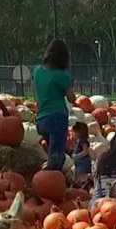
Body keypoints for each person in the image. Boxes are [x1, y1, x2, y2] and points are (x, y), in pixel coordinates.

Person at [33, 39, 76, 171]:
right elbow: (72, 98)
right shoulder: (62, 75)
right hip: (57, 117)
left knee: (55, 151)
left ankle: (50, 178)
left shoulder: (37, 71)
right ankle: (50, 182)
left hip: (41, 119)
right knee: (57, 157)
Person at [71, 121, 92, 188]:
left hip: (83, 161)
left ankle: (84, 185)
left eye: (75, 132)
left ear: (80, 132)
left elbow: (85, 151)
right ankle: (75, 184)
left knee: (82, 175)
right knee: (77, 173)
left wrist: (77, 156)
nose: (74, 134)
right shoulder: (78, 141)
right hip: (79, 162)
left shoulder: (82, 141)